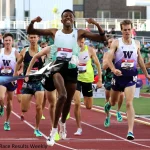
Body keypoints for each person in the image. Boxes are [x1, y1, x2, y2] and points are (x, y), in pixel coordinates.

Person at [27, 9, 106, 146]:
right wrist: (33, 21)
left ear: (73, 20)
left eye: (70, 16)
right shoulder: (55, 32)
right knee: (62, 95)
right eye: (65, 16)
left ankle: (63, 122)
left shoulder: (79, 33)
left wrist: (96, 24)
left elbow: (102, 39)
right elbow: (30, 31)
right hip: (57, 67)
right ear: (62, 20)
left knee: (69, 99)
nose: (68, 17)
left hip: (72, 68)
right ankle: (53, 131)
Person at [104, 20, 150, 140]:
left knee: (129, 103)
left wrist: (146, 74)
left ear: (131, 29)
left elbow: (140, 60)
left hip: (131, 77)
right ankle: (108, 104)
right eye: (125, 30)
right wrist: (114, 70)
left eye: (129, 29)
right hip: (118, 77)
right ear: (121, 30)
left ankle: (130, 131)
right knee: (113, 102)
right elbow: (109, 59)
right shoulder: (116, 43)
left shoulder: (136, 43)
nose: (127, 32)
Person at [14, 34, 44, 137]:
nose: (33, 39)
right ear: (28, 38)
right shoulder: (24, 51)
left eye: (35, 37)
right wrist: (15, 74)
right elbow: (18, 63)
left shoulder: (42, 51)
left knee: (39, 107)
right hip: (27, 84)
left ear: (38, 38)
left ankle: (37, 128)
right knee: (24, 109)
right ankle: (28, 101)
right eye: (31, 37)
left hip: (39, 83)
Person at [73, 38, 102, 135]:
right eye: (79, 42)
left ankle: (88, 95)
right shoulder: (72, 51)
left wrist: (100, 79)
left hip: (88, 79)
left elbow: (98, 64)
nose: (80, 44)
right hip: (76, 79)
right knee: (77, 103)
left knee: (89, 106)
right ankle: (79, 127)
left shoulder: (90, 50)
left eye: (82, 42)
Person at [0, 33, 20, 130]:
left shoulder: (15, 52)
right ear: (3, 41)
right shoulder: (1, 51)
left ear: (12, 42)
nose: (7, 42)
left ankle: (7, 121)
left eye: (9, 40)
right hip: (2, 77)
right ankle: (1, 107)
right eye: (6, 40)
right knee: (1, 97)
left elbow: (23, 65)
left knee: (9, 101)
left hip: (11, 79)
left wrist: (16, 74)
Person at [103, 37, 124, 127]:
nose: (111, 43)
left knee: (122, 95)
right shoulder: (106, 54)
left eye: (112, 42)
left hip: (119, 77)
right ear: (108, 45)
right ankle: (107, 116)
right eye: (109, 42)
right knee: (109, 100)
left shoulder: (121, 53)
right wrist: (110, 59)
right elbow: (104, 67)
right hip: (109, 78)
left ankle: (118, 111)